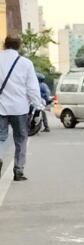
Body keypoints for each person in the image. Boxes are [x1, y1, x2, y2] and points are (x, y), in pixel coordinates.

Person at [0, 36, 44, 181]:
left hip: (0, 107)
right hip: (20, 108)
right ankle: (18, 171)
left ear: (4, 44)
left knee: (0, 138)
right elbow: (32, 88)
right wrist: (38, 106)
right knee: (21, 139)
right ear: (19, 46)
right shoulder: (26, 63)